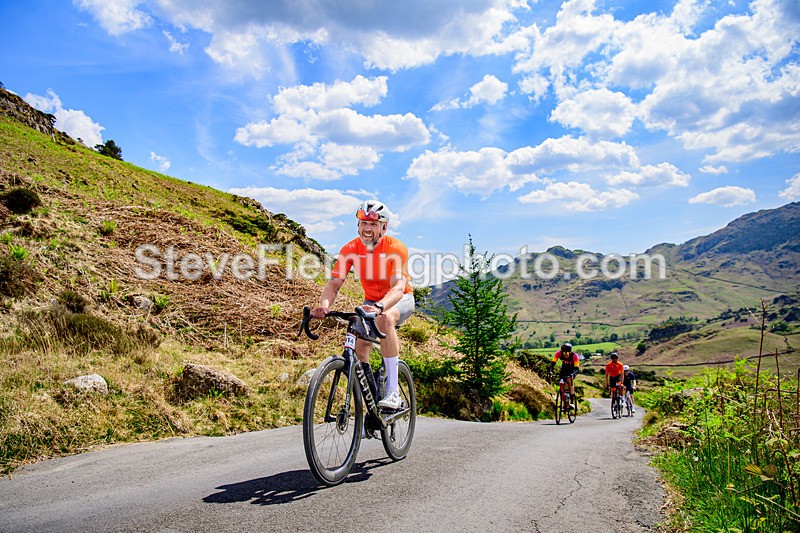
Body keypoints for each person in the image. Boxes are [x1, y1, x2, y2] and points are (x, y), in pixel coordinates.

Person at [311, 200, 415, 410]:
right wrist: (324, 305)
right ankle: (372, 401)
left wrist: (380, 307)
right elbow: (334, 283)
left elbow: (398, 287)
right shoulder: (350, 249)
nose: (367, 228)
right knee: (359, 349)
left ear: (384, 227)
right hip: (370, 302)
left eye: (373, 224)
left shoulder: (396, 248)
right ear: (358, 225)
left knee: (385, 319)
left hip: (398, 298)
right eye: (363, 223)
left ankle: (393, 391)